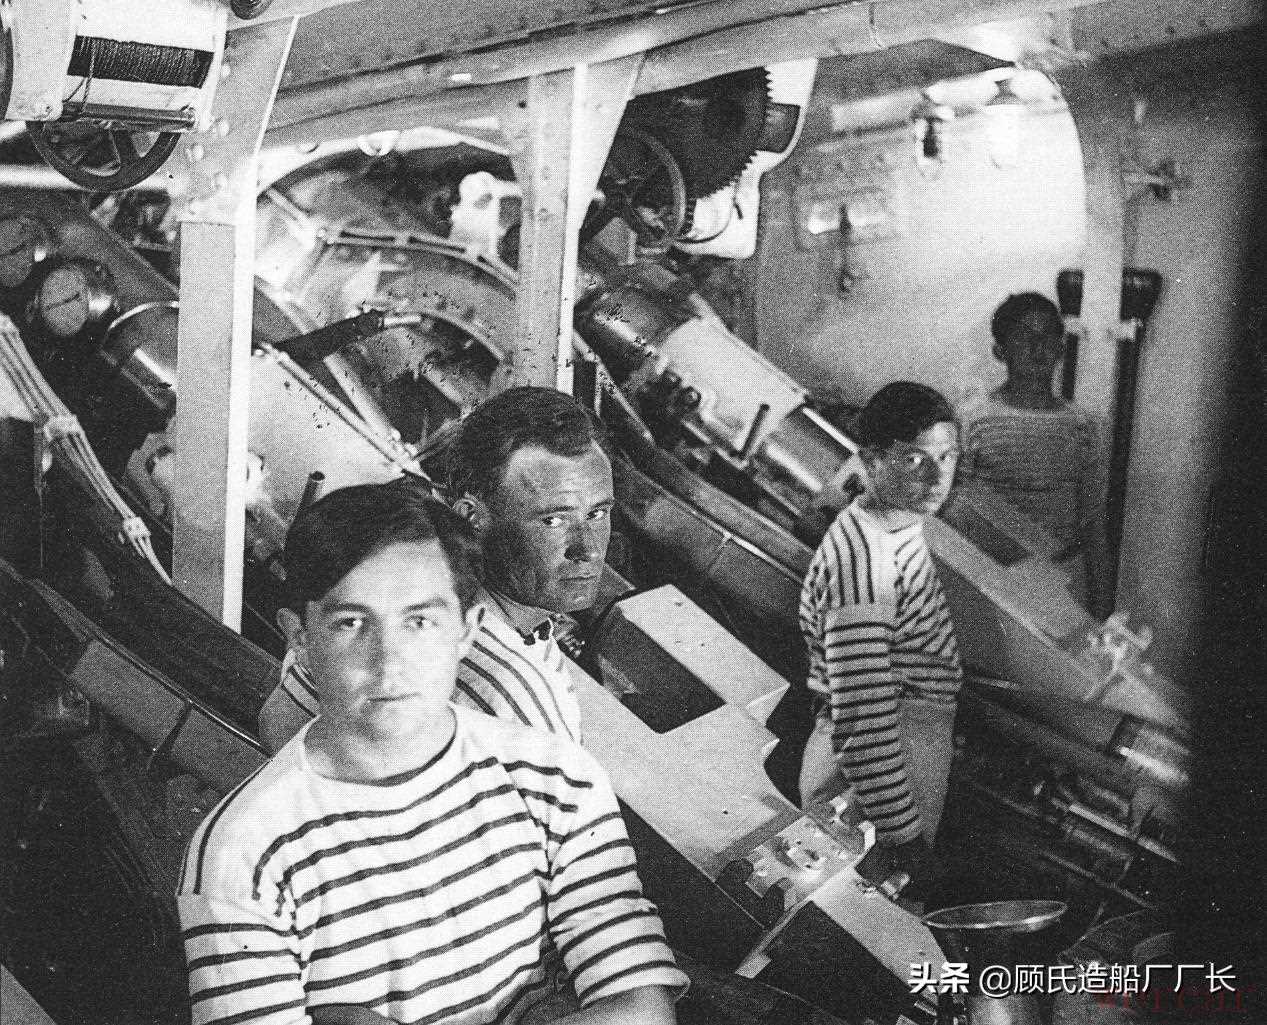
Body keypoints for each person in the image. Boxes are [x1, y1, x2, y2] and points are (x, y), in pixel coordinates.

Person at [177, 483, 684, 1025]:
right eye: (351, 623)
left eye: (419, 621)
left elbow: (642, 1009)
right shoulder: (241, 855)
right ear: (299, 637)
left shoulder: (555, 777)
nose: (389, 661)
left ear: (466, 632)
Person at [259, 386, 614, 752]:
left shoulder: (379, 600)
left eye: (597, 514)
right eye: (553, 521)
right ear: (471, 518)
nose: (588, 549)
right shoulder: (519, 708)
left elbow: (278, 720)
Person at [798, 381, 964, 879]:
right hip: (874, 778)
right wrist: (904, 838)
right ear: (871, 462)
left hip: (900, 751)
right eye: (915, 459)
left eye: (947, 456)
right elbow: (864, 724)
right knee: (871, 912)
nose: (938, 476)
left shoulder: (895, 524)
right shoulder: (865, 566)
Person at [958, 292, 1108, 614]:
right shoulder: (972, 420)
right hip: (989, 578)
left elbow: (1093, 525)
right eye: (1024, 336)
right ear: (1000, 351)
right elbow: (955, 514)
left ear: (1061, 349)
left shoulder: (1083, 426)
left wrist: (1101, 609)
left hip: (1061, 582)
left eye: (1048, 337)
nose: (1038, 347)